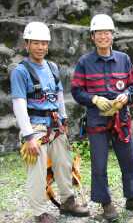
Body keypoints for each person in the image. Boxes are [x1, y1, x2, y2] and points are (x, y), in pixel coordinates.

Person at [71, 14, 133, 221]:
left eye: (107, 32)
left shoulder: (123, 59)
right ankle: (106, 203)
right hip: (96, 121)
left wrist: (126, 96)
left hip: (121, 119)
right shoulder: (84, 62)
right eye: (98, 33)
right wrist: (94, 99)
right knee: (99, 164)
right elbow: (76, 91)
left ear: (112, 35)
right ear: (92, 36)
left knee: (129, 160)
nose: (103, 36)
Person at [10, 21, 89, 223]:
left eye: (44, 43)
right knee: (36, 172)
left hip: (54, 125)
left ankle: (68, 201)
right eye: (36, 43)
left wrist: (63, 119)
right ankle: (39, 212)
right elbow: (19, 105)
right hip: (35, 128)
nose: (40, 47)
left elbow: (59, 96)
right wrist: (28, 136)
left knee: (64, 163)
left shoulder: (52, 67)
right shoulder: (20, 71)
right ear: (26, 44)